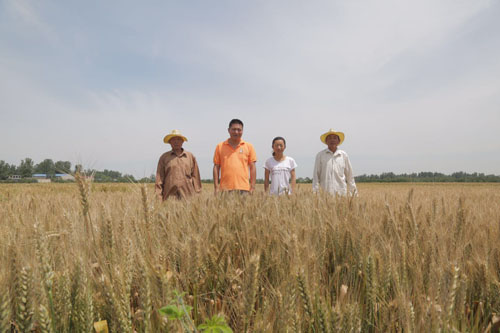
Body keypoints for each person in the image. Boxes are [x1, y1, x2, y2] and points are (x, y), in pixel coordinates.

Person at [213, 119, 257, 194]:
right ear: (228, 130)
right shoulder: (220, 146)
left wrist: (252, 187)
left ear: (242, 131)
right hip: (225, 189)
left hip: (244, 189)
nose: (236, 132)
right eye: (233, 129)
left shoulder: (249, 146)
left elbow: (252, 167)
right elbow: (216, 167)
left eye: (239, 130)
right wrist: (216, 187)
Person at [155, 129, 201, 200]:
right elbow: (159, 179)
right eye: (173, 139)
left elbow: (196, 177)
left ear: (182, 141)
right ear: (169, 142)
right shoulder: (164, 157)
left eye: (179, 139)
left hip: (188, 197)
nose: (176, 141)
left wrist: (198, 196)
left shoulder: (190, 156)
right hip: (169, 198)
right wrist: (158, 198)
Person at [312, 129, 357, 196]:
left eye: (335, 138)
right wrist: (315, 193)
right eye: (329, 138)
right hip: (325, 194)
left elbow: (350, 176)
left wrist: (353, 194)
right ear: (326, 141)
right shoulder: (320, 155)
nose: (332, 140)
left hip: (341, 194)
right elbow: (316, 176)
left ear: (338, 141)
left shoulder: (343, 155)